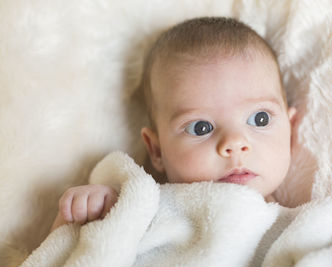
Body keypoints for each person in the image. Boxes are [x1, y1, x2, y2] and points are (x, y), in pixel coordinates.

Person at [50, 16, 296, 231]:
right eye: (201, 127)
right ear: (157, 150)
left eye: (259, 119)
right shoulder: (139, 209)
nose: (234, 143)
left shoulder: (302, 227)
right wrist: (82, 218)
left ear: (290, 130)